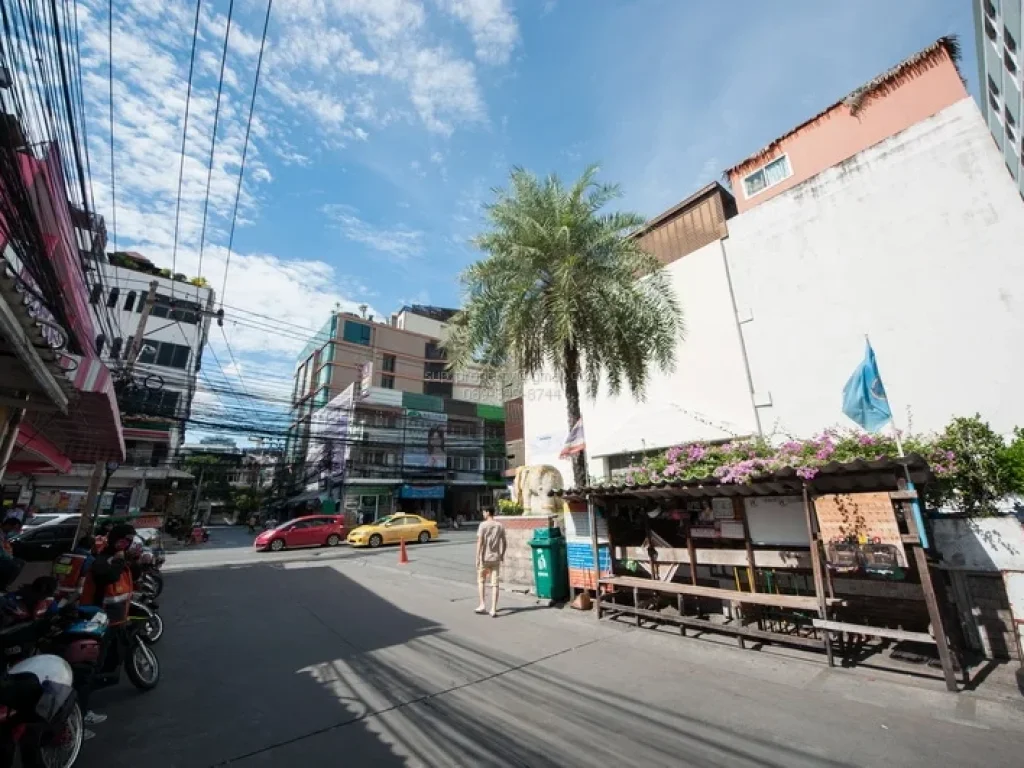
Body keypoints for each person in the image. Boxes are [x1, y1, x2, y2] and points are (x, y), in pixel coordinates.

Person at [78, 524, 136, 739]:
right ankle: (78, 716)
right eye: (125, 539)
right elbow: (109, 576)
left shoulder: (118, 558)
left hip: (113, 623)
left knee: (102, 667)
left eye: (130, 540)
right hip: (96, 624)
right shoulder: (102, 560)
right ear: (116, 539)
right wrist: (120, 558)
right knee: (89, 672)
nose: (127, 543)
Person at [474, 507, 506, 618]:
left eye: (484, 512)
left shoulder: (482, 525)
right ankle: (493, 609)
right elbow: (505, 543)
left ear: (488, 513)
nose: (483, 514)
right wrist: (502, 555)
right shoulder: (500, 526)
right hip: (496, 558)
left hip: (484, 558)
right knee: (495, 584)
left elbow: (480, 542)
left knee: (481, 581)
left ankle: (482, 605)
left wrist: (477, 557)